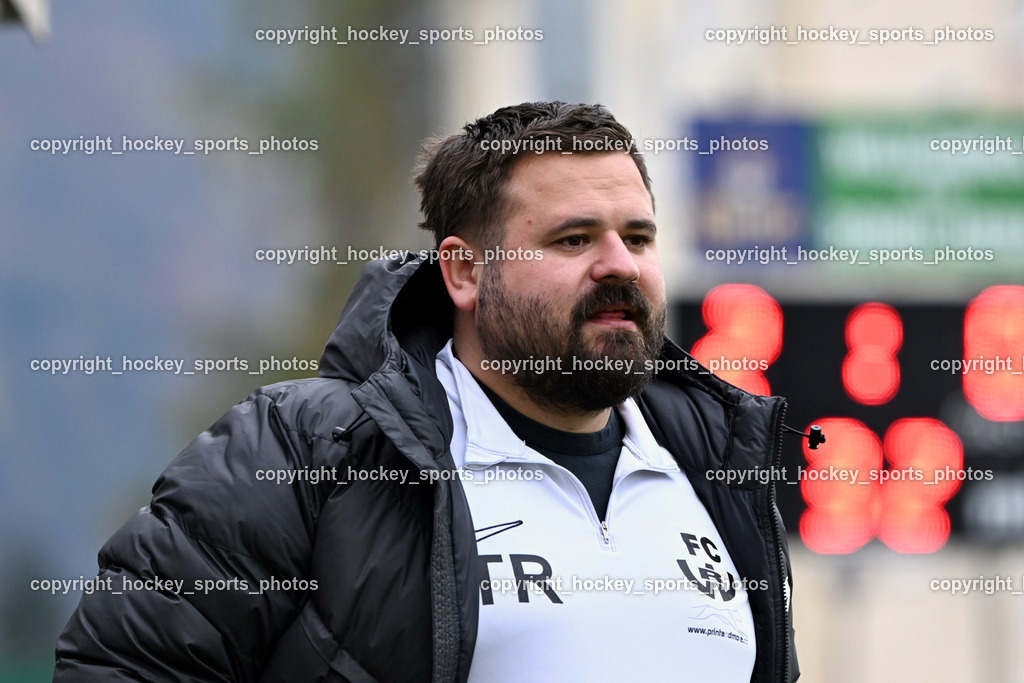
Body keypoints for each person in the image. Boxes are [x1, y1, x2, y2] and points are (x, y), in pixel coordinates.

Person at [54, 101, 799, 682]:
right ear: (464, 272)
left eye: (637, 238)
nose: (620, 265)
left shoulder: (719, 470)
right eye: (573, 239)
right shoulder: (303, 450)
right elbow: (124, 665)